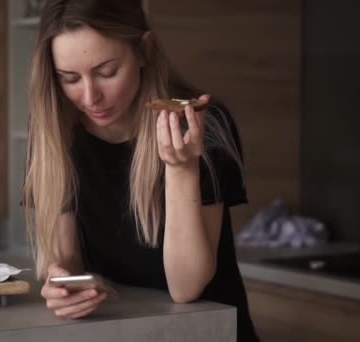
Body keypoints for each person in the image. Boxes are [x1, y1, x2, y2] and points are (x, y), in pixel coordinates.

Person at [22, 0, 259, 340]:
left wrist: (181, 169)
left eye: (107, 72)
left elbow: (186, 286)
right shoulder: (54, 132)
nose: (90, 97)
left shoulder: (200, 124)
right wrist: (62, 285)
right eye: (70, 78)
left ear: (144, 50)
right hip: (120, 332)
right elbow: (65, 258)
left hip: (205, 333)